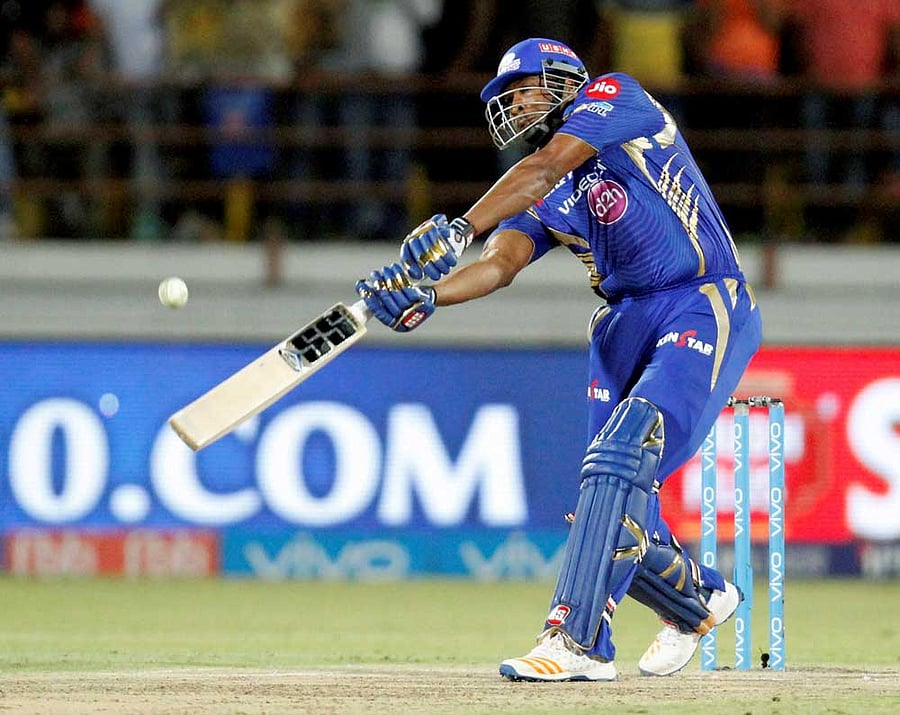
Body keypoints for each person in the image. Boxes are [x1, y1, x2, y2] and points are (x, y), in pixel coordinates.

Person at [355, 37, 762, 680]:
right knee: (607, 501)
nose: (511, 107)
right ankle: (698, 599)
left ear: (558, 79)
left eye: (518, 91)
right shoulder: (547, 194)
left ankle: (575, 643)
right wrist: (429, 295)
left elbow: (543, 167)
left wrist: (460, 225)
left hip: (699, 299)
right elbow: (498, 265)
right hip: (622, 325)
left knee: (620, 457)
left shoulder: (616, 97)